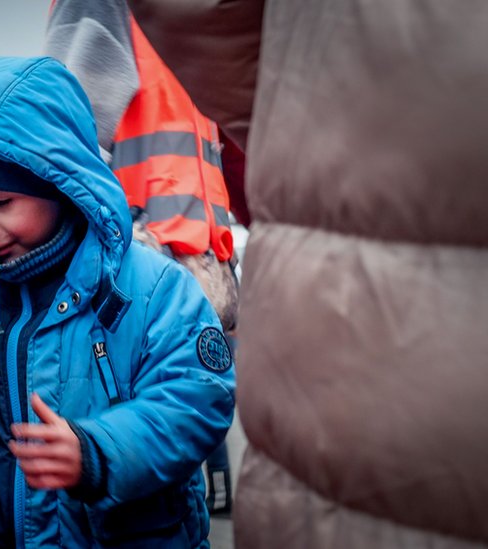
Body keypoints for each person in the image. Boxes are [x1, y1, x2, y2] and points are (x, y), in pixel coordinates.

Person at [127, 0, 488, 546]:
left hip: (189, 251)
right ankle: (212, 489)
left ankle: (210, 490)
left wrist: (279, 149)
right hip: (206, 252)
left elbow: (199, 25)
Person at [0, 56, 235, 548]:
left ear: (61, 185)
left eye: (0, 202)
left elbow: (198, 401)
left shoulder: (153, 289)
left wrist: (98, 452)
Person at [45, 0, 240, 515]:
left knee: (189, 391)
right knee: (139, 402)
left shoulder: (192, 16)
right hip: (140, 243)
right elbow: (67, 114)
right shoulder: (113, 6)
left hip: (198, 248)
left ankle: (200, 493)